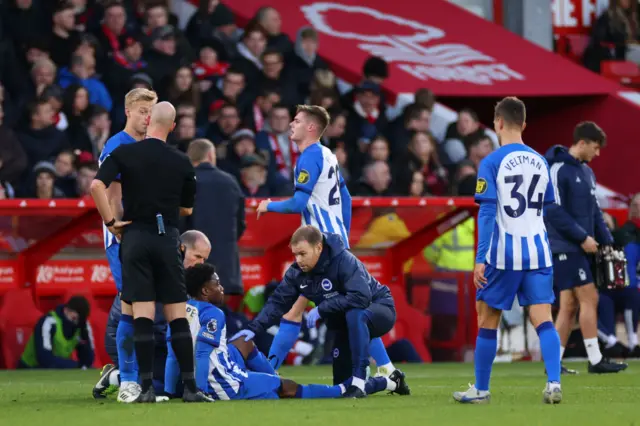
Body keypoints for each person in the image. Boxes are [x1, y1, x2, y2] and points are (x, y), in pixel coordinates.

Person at [255, 104, 400, 379]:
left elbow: (299, 202)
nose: (291, 125)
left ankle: (268, 374)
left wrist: (268, 205)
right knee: (346, 308)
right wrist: (341, 235)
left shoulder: (309, 157)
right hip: (333, 244)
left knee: (295, 309)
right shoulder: (328, 155)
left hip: (319, 250)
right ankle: (388, 370)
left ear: (311, 127)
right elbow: (345, 196)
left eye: (296, 121)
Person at [90, 101, 212, 403]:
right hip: (167, 238)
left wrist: (111, 222)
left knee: (141, 314)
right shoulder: (182, 161)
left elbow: (96, 186)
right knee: (176, 315)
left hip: (134, 237)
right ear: (172, 126)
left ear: (148, 121)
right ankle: (190, 389)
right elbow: (187, 207)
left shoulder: (123, 152)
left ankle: (143, 389)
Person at [453, 97, 562, 404]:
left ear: (497, 123)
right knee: (543, 318)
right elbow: (547, 209)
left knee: (487, 318)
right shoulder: (541, 161)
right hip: (539, 251)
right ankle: (554, 383)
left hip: (504, 254)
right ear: (523, 124)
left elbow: (486, 214)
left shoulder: (491, 162)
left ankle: (482, 390)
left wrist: (480, 258)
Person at [169, 263, 407, 400]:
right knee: (287, 388)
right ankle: (376, 383)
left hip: (209, 368)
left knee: (244, 340)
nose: (222, 288)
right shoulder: (214, 313)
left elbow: (173, 353)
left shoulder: (179, 308)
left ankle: (271, 374)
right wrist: (198, 391)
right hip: (222, 382)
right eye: (217, 284)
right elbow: (201, 354)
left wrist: (170, 391)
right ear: (204, 291)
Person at [231, 226, 409, 398]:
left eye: (302, 254)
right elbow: (277, 302)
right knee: (342, 387)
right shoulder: (297, 272)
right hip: (345, 325)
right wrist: (253, 328)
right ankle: (391, 382)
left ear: (318, 247)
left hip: (380, 309)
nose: (298, 260)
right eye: (295, 254)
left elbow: (361, 297)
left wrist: (322, 308)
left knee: (356, 313)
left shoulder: (344, 260)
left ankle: (360, 377)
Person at [544, 121, 627, 374]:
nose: (597, 153)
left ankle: (553, 363)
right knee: (590, 298)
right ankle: (595, 359)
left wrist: (609, 243)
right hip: (566, 246)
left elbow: (594, 212)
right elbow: (551, 209)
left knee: (569, 305)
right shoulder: (557, 169)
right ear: (581, 143)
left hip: (581, 246)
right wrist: (582, 238)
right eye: (595, 147)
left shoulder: (586, 173)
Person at [93, 230, 212, 399]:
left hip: (156, 338)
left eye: (204, 259)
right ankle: (116, 377)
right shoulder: (160, 270)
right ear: (182, 249)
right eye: (198, 256)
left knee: (176, 384)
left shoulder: (182, 276)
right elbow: (149, 321)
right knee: (162, 386)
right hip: (130, 338)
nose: (200, 264)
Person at [96, 87, 158, 403]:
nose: (148, 117)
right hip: (123, 235)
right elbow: (109, 192)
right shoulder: (117, 145)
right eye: (143, 111)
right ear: (129, 111)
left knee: (141, 304)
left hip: (145, 234)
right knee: (132, 304)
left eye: (152, 111)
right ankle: (126, 379)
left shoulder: (148, 144)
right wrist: (116, 226)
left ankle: (126, 375)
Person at [186, 138, 246, 297]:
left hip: (194, 264)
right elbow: (241, 223)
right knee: (220, 314)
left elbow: (180, 222)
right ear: (211, 156)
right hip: (226, 264)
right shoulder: (231, 181)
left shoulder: (187, 181)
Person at [18, 296, 93, 369]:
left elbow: (87, 362)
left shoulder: (82, 325)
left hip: (57, 370)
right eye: (74, 318)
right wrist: (75, 366)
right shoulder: (49, 322)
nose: (76, 323)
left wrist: (84, 342)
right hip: (30, 368)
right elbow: (44, 359)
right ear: (66, 310)